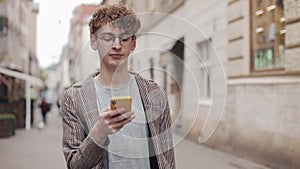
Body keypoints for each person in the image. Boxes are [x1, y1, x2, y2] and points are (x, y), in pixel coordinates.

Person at [61, 4, 175, 169]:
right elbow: (75, 165)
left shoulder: (154, 94)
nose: (116, 45)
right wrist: (99, 132)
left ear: (133, 43)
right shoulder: (74, 98)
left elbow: (168, 160)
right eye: (108, 38)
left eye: (124, 38)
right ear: (94, 41)